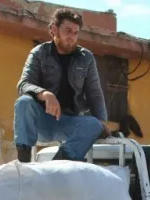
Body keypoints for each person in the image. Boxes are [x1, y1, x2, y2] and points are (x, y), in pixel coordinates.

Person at [14, 8, 110, 163]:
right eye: (67, 31)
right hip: (42, 122)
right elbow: (23, 84)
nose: (72, 37)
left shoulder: (86, 58)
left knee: (94, 124)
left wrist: (102, 122)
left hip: (69, 122)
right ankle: (23, 162)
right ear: (54, 29)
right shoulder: (39, 53)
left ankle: (59, 162)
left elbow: (95, 94)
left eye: (75, 32)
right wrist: (46, 95)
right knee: (24, 102)